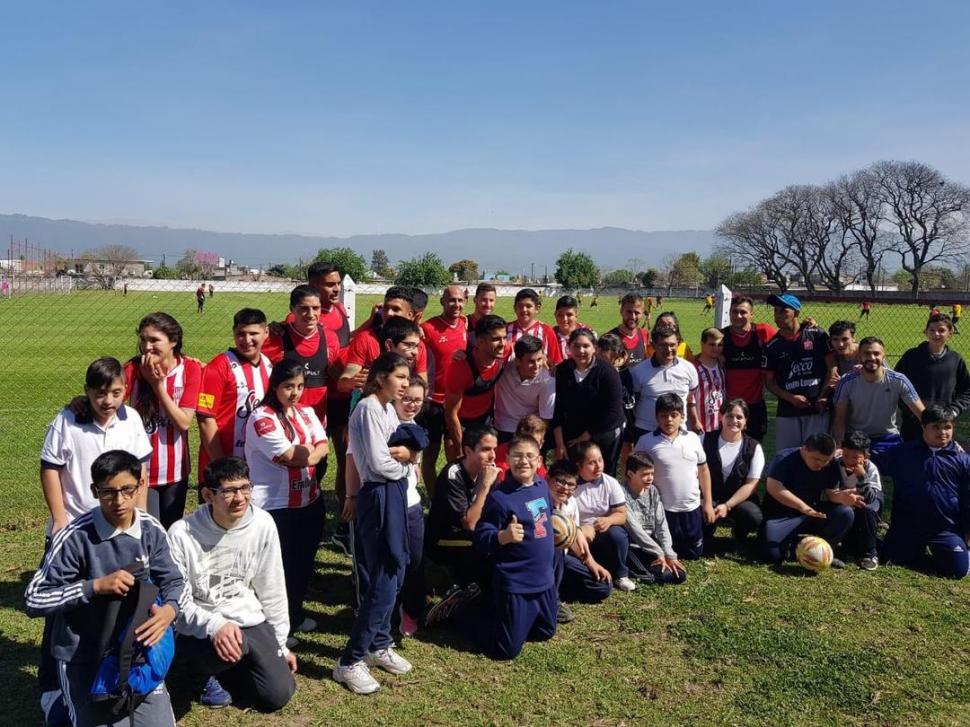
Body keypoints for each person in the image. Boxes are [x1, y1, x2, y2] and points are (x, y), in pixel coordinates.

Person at [25, 450, 186, 727]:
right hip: (83, 657)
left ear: (141, 485)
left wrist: (170, 611)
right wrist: (94, 586)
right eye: (108, 492)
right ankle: (57, 703)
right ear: (94, 491)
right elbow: (34, 598)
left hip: (137, 655)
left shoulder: (151, 530)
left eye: (127, 489)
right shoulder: (74, 537)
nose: (119, 501)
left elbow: (176, 581)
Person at [38, 358, 152, 722]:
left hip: (120, 527)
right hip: (78, 531)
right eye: (100, 393)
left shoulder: (131, 420)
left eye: (116, 392)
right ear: (87, 392)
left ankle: (111, 676)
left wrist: (142, 519)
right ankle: (51, 685)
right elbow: (50, 468)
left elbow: (142, 472)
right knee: (62, 611)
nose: (109, 400)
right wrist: (59, 520)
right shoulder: (67, 420)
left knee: (119, 603)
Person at [168, 457, 296, 712]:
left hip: (247, 617)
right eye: (228, 491)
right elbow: (179, 599)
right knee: (234, 645)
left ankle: (231, 666)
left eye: (245, 488)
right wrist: (215, 624)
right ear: (208, 494)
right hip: (200, 624)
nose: (239, 498)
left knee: (277, 695)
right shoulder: (181, 533)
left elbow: (272, 587)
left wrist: (280, 645)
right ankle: (198, 672)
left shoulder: (262, 523)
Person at [334, 353, 414, 694]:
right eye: (399, 377)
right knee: (383, 578)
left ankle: (379, 643)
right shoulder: (367, 408)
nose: (405, 384)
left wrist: (408, 457)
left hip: (392, 493)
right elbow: (381, 463)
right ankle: (350, 660)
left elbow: (405, 449)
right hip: (377, 495)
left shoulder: (386, 408)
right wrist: (407, 465)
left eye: (407, 378)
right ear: (380, 378)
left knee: (397, 570)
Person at [244, 360, 329, 644]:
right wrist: (310, 452)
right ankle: (273, 629)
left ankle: (293, 615)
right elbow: (291, 457)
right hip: (276, 507)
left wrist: (310, 452)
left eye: (300, 386)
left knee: (302, 565)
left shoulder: (306, 412)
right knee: (276, 571)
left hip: (310, 501)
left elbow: (324, 447)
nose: (294, 393)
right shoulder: (261, 416)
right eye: (288, 387)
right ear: (275, 386)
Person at [473, 435, 557, 660]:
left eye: (530, 456)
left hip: (544, 580)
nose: (524, 461)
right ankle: (465, 611)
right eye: (517, 456)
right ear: (508, 459)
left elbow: (548, 518)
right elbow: (481, 536)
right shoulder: (501, 497)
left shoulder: (542, 487)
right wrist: (503, 536)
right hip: (516, 582)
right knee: (505, 651)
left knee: (546, 631)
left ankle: (510, 619)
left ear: (539, 461)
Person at [124, 312, 202, 528]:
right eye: (143, 340)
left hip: (175, 470)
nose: (147, 347)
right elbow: (109, 400)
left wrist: (158, 387)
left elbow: (184, 422)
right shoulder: (132, 369)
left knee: (172, 532)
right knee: (148, 533)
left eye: (154, 340)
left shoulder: (190, 369)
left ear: (173, 342)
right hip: (141, 470)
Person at [881, 406, 969, 579]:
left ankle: (952, 551)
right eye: (936, 427)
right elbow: (873, 462)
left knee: (957, 570)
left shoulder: (963, 459)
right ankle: (912, 549)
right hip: (908, 524)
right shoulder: (903, 452)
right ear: (923, 427)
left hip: (945, 528)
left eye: (947, 427)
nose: (942, 432)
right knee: (892, 558)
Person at [305, 262, 354, 549]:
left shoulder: (338, 310)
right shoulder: (305, 317)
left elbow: (344, 348)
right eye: (329, 284)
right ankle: (309, 514)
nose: (335, 289)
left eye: (337, 283)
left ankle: (343, 526)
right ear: (313, 285)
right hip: (316, 402)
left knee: (347, 459)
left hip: (343, 398)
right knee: (315, 464)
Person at [196, 308, 273, 482]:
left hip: (257, 464)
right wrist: (221, 465)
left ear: (266, 333)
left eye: (254, 333)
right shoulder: (219, 366)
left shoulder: (269, 366)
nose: (247, 340)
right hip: (221, 463)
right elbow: (205, 418)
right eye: (241, 334)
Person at [425, 425, 500, 599]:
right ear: (468, 450)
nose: (493, 456)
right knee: (486, 543)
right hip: (443, 540)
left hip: (470, 534)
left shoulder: (487, 469)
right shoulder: (453, 475)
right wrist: (485, 486)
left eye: (494, 449)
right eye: (486, 449)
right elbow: (470, 523)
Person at [634, 393, 712, 560]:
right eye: (663, 416)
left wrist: (708, 503)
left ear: (682, 417)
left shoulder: (692, 439)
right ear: (656, 418)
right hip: (663, 509)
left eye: (674, 415)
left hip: (690, 507)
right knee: (665, 550)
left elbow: (704, 470)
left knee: (693, 554)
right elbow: (636, 475)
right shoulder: (646, 442)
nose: (668, 420)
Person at [761, 433, 855, 566]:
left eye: (825, 460)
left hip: (812, 512)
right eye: (816, 459)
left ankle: (825, 550)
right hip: (782, 514)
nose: (821, 464)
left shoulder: (831, 464)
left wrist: (841, 497)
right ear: (804, 449)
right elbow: (773, 487)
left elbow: (831, 492)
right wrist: (802, 507)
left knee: (845, 513)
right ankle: (797, 546)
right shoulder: (784, 458)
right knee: (773, 555)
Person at [262, 285, 342, 438]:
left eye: (316, 308)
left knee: (317, 461)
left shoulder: (330, 338)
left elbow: (333, 372)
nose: (311, 314)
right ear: (292, 309)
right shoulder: (275, 337)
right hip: (282, 425)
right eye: (304, 308)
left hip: (316, 426)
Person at [831, 336, 924, 468]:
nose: (872, 357)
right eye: (867, 353)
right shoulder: (847, 381)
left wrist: (945, 443)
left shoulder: (898, 380)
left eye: (876, 353)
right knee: (851, 468)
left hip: (887, 437)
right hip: (856, 437)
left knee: (906, 465)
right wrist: (839, 447)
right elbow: (839, 419)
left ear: (884, 355)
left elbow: (923, 414)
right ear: (859, 356)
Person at [763, 293, 832, 451]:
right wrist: (791, 398)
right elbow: (769, 382)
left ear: (797, 313)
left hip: (817, 408)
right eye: (776, 311)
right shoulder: (772, 345)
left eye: (784, 311)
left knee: (816, 454)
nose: (778, 316)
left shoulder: (817, 335)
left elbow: (832, 368)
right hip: (787, 411)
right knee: (787, 456)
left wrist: (823, 396)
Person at [552, 329, 626, 476]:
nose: (581, 351)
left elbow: (613, 412)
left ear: (594, 347)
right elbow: (557, 409)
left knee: (600, 477)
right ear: (569, 347)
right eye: (576, 346)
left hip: (603, 433)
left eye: (586, 346)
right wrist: (559, 444)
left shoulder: (608, 372)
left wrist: (585, 437)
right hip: (572, 436)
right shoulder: (561, 371)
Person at [547, 459, 612, 624]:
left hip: (563, 559)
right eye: (560, 482)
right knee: (556, 551)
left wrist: (591, 563)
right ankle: (551, 601)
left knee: (603, 587)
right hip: (542, 560)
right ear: (548, 479)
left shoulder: (571, 503)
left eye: (571, 485)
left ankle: (557, 588)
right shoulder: (539, 502)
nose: (565, 488)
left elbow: (574, 535)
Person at [390, 376, 429, 637]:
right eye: (406, 399)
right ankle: (392, 612)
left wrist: (414, 461)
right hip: (391, 504)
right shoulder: (385, 422)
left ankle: (410, 608)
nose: (412, 405)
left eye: (417, 400)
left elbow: (415, 468)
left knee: (415, 560)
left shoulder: (415, 425)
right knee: (393, 562)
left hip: (412, 503)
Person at [420, 285, 469, 492]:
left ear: (465, 302)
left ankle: (453, 495)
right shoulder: (428, 328)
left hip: (456, 403)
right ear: (442, 302)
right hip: (433, 402)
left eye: (459, 300)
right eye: (451, 300)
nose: (456, 304)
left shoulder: (466, 325)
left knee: (456, 451)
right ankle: (433, 497)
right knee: (430, 453)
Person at [700, 399, 764, 552]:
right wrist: (707, 503)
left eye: (739, 417)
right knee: (696, 516)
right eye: (729, 416)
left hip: (738, 500)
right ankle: (707, 531)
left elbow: (751, 484)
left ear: (746, 421)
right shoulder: (703, 439)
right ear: (721, 417)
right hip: (709, 498)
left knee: (753, 516)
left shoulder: (754, 447)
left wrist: (727, 505)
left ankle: (740, 534)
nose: (734, 421)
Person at [895, 313, 970, 441]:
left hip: (942, 425)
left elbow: (967, 391)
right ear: (926, 332)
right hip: (913, 423)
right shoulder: (911, 356)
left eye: (941, 330)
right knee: (911, 458)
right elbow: (896, 385)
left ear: (950, 334)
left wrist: (953, 411)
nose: (936, 334)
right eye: (932, 330)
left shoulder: (955, 360)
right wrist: (910, 410)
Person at [571, 442, 635, 591]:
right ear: (579, 465)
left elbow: (621, 514)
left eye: (600, 460)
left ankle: (621, 574)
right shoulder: (571, 485)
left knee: (617, 534)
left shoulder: (610, 483)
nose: (598, 466)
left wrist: (609, 520)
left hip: (604, 533)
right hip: (580, 535)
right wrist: (581, 530)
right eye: (591, 463)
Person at [443, 314, 508, 459]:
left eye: (504, 337)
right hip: (461, 422)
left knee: (486, 466)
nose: (502, 343)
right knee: (460, 468)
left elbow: (530, 352)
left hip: (485, 419)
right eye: (496, 339)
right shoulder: (460, 369)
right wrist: (460, 449)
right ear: (479, 342)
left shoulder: (504, 352)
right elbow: (450, 413)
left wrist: (546, 362)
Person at [622, 452, 687, 584]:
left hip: (651, 543)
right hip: (633, 545)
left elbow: (661, 523)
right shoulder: (621, 493)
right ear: (630, 474)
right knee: (663, 576)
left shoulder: (653, 491)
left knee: (679, 575)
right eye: (645, 475)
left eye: (651, 474)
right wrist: (659, 553)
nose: (650, 478)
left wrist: (669, 553)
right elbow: (634, 529)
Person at [629, 326, 702, 440]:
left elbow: (690, 396)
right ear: (654, 346)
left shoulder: (689, 368)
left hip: (678, 432)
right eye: (663, 345)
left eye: (672, 345)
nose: (668, 349)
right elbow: (634, 401)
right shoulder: (638, 371)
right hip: (646, 431)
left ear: (678, 344)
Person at [720, 295, 775, 441]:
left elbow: (787, 338)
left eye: (743, 312)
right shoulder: (721, 337)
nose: (738, 316)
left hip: (755, 406)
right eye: (734, 312)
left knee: (754, 449)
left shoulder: (762, 332)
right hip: (729, 406)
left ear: (752, 314)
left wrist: (806, 326)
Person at [833, 432, 883, 571]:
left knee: (868, 508)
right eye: (846, 455)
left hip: (865, 501)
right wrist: (844, 498)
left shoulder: (870, 468)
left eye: (855, 457)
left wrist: (862, 478)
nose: (849, 460)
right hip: (844, 500)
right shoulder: (836, 464)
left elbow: (871, 497)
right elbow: (830, 490)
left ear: (866, 457)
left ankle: (870, 553)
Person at [493, 335, 556, 442]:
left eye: (539, 359)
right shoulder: (504, 366)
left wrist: (537, 440)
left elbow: (545, 418)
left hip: (529, 431)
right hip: (502, 426)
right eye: (531, 361)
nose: (537, 366)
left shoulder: (547, 380)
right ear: (517, 361)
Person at [506, 288, 564, 366]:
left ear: (537, 308)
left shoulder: (546, 331)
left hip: (539, 377)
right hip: (509, 376)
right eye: (520, 306)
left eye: (528, 306)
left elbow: (556, 362)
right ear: (514, 308)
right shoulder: (505, 329)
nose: (524, 310)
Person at [495, 415, 549, 479]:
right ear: (515, 437)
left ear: (541, 444)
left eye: (533, 443)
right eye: (524, 440)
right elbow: (501, 480)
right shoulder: (504, 451)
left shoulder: (536, 457)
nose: (528, 446)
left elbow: (542, 481)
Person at [693, 328, 726, 433]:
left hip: (721, 425)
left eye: (719, 345)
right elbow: (689, 399)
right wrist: (695, 421)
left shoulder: (722, 366)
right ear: (702, 344)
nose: (716, 348)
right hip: (701, 426)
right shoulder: (694, 368)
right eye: (711, 344)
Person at [608, 294, 652, 366]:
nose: (633, 317)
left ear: (642, 314)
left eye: (637, 313)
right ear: (621, 311)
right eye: (629, 312)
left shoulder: (645, 334)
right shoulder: (609, 338)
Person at [553, 295, 591, 360]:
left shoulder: (587, 332)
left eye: (569, 315)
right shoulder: (550, 335)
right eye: (560, 315)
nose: (564, 319)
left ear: (576, 315)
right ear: (555, 315)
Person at [466, 282, 497, 348]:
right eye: (484, 300)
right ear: (475, 300)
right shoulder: (464, 324)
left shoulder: (497, 326)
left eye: (491, 300)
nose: (488, 305)